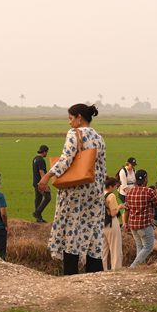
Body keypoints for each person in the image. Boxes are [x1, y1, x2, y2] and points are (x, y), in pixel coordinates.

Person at [37, 104, 106, 276]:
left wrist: (47, 176)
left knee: (72, 229)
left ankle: (71, 275)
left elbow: (66, 159)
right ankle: (94, 274)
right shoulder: (99, 137)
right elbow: (102, 167)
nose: (69, 123)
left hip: (76, 190)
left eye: (70, 118)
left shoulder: (74, 134)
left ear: (79, 117)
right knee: (93, 230)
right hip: (95, 191)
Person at [122, 170, 157, 268]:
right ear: (145, 179)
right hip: (145, 225)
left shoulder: (129, 192)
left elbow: (127, 209)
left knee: (140, 246)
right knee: (148, 247)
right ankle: (133, 266)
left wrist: (125, 223)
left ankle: (141, 266)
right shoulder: (149, 192)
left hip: (133, 225)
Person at [102, 177, 124, 270]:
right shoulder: (111, 196)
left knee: (103, 250)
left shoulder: (100, 193)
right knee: (115, 249)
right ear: (110, 186)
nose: (115, 188)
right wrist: (119, 207)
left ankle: (103, 270)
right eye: (115, 186)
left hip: (101, 224)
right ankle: (116, 269)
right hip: (111, 223)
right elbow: (113, 213)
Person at [31, 145, 50, 223]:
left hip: (35, 182)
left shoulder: (35, 159)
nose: (47, 154)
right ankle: (37, 213)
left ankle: (38, 218)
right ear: (44, 151)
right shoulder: (41, 160)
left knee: (38, 200)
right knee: (48, 197)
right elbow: (41, 172)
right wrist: (44, 184)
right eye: (47, 152)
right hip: (40, 183)